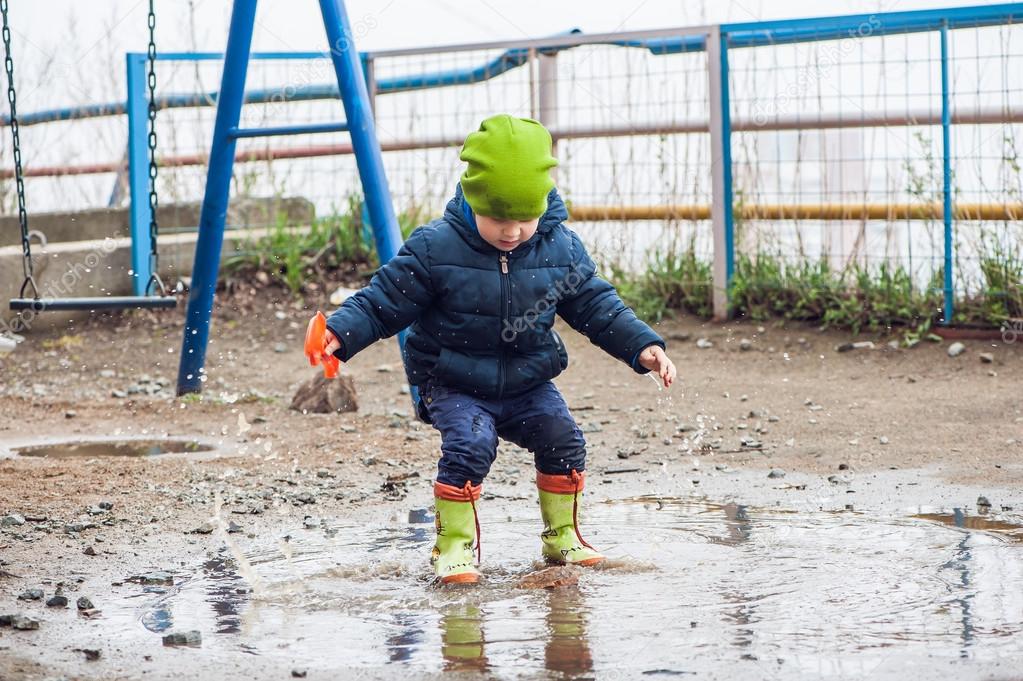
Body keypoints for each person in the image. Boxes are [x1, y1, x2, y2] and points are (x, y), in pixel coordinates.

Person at [321, 114, 676, 583]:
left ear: (543, 205)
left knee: (563, 439)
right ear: (472, 200)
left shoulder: (560, 248)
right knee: (471, 445)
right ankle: (452, 548)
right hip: (452, 382)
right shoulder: (435, 247)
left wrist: (643, 346)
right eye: (497, 220)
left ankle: (562, 538)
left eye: (524, 220)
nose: (511, 232)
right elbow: (383, 301)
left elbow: (597, 305)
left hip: (528, 381)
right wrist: (340, 334)